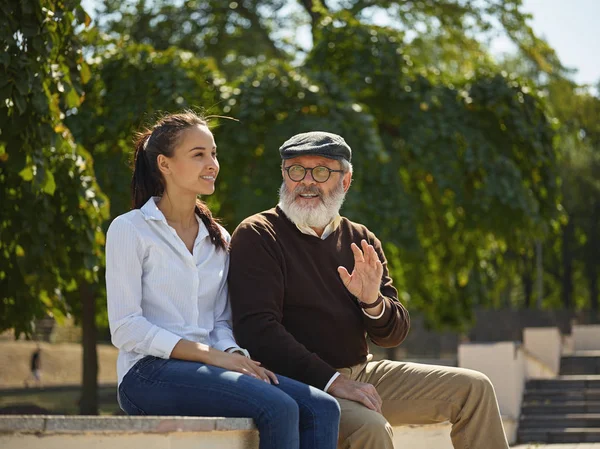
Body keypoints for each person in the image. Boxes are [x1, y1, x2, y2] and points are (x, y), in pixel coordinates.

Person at [228, 131, 511, 449]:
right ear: (283, 175)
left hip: (364, 372)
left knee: (474, 389)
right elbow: (258, 332)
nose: (307, 181)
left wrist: (372, 301)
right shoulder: (258, 235)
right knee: (371, 428)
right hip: (297, 382)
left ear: (345, 180)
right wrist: (335, 381)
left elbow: (393, 334)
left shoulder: (360, 239)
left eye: (321, 170)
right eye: (296, 169)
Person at [105, 113, 340, 449]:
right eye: (198, 154)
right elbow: (126, 327)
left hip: (209, 369)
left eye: (213, 153)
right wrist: (211, 356)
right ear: (165, 164)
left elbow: (219, 321)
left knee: (322, 408)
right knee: (279, 407)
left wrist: (233, 353)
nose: (212, 163)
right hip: (148, 374)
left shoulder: (218, 238)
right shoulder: (130, 229)